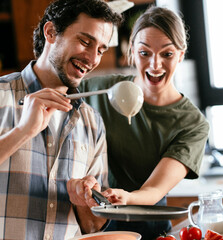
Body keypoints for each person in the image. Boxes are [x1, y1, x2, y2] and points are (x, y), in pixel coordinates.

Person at [0, 0, 122, 239]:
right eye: (85, 42)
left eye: (100, 50)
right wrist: (22, 131)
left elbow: (93, 227)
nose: (92, 58)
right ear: (51, 32)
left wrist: (83, 201)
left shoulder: (91, 121)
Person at [79, 6, 210, 239]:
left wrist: (127, 198)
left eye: (167, 54)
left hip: (150, 229)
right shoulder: (98, 90)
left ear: (181, 54)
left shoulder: (192, 123)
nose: (155, 64)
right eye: (144, 53)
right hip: (90, 228)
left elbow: (154, 189)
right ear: (131, 51)